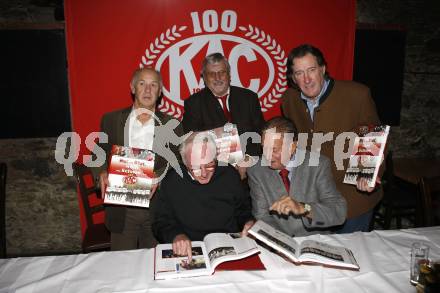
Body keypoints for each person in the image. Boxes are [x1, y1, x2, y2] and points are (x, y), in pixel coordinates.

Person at [281, 44, 383, 233]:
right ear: (293, 78)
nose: (307, 79)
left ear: (323, 69)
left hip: (352, 198)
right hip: (314, 199)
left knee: (352, 256)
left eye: (312, 70)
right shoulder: (289, 99)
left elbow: (371, 135)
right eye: (299, 73)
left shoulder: (357, 95)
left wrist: (366, 174)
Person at [94, 67, 183, 250]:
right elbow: (98, 153)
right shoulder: (111, 120)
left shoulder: (172, 125)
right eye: (142, 84)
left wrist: (158, 176)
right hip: (122, 208)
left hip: (157, 208)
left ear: (160, 92)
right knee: (121, 265)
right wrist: (102, 172)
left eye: (153, 85)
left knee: (155, 267)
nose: (148, 90)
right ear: (133, 88)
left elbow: (180, 162)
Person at [152, 131, 255, 259]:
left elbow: (243, 211)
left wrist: (249, 222)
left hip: (229, 246)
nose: (204, 173)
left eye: (210, 165)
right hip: (190, 249)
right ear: (184, 163)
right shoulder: (172, 180)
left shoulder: (229, 175)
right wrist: (176, 235)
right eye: (195, 167)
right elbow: (161, 222)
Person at [247, 117, 347, 236]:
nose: (267, 156)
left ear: (293, 146)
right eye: (264, 148)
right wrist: (281, 242)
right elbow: (262, 216)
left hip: (316, 239)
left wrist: (304, 208)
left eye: (274, 149)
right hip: (280, 242)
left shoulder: (318, 165)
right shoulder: (256, 170)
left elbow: (338, 212)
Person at [182, 52, 265, 178]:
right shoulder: (194, 104)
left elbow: (260, 134)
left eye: (222, 72)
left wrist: (247, 160)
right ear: (203, 76)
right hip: (215, 175)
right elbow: (191, 143)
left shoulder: (249, 98)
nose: (217, 77)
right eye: (211, 74)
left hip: (253, 171)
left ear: (229, 74)